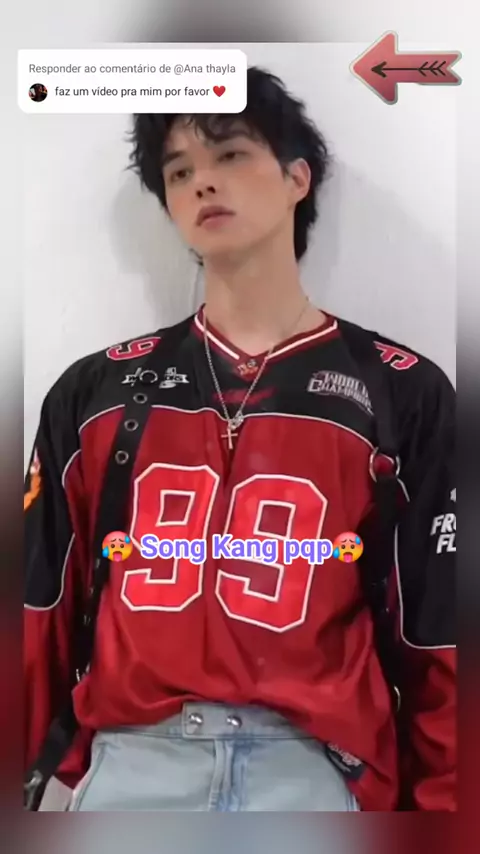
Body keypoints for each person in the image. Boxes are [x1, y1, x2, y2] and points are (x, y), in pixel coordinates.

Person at [24, 66, 456, 811]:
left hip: (316, 771)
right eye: (179, 171)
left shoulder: (401, 392)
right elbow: (37, 614)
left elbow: (439, 632)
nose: (202, 182)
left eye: (229, 154)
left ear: (297, 177)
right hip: (134, 767)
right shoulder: (94, 395)